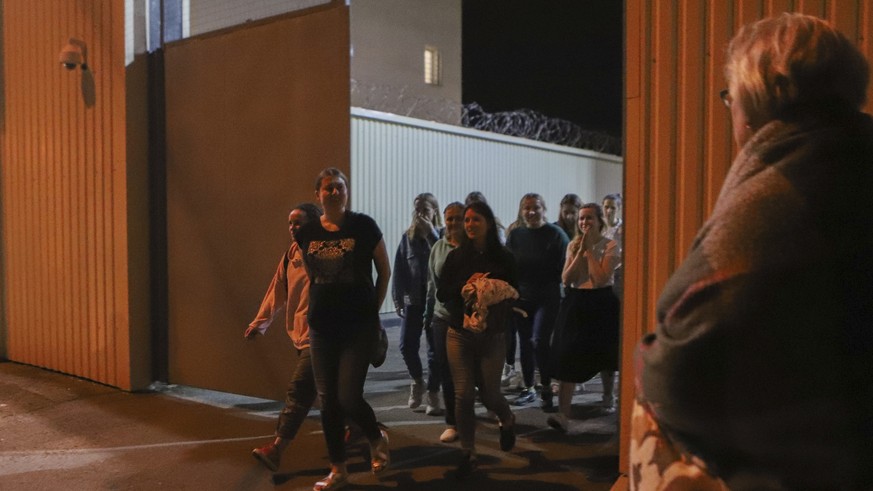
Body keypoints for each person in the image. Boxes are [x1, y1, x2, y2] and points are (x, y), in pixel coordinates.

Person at [633, 13, 873, 490]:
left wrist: (648, 361)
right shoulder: (853, 165)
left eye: (730, 97)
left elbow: (682, 370)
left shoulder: (773, 205)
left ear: (755, 100)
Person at [294, 167, 391, 491]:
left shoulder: (363, 226)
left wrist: (373, 311)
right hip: (322, 328)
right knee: (328, 401)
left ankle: (376, 438)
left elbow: (384, 269)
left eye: (339, 187)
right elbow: (312, 275)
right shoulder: (307, 233)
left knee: (348, 395)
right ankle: (339, 471)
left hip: (357, 327)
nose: (334, 192)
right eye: (327, 188)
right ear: (317, 195)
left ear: (346, 192)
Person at [437, 201, 518, 478]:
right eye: (467, 220)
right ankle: (468, 453)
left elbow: (517, 290)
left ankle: (506, 419)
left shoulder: (504, 258)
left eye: (476, 220)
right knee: (463, 394)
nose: (469, 225)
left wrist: (494, 289)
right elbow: (441, 293)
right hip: (458, 333)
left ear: (488, 223)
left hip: (492, 335)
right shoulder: (457, 257)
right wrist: (466, 287)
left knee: (490, 394)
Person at [246, 203, 323, 472]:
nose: (292, 228)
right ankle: (369, 431)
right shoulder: (291, 254)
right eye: (290, 223)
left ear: (313, 223)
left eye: (298, 223)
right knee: (333, 394)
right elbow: (277, 290)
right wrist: (260, 322)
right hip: (301, 336)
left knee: (299, 392)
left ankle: (277, 449)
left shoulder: (326, 251)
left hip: (322, 336)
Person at [548, 203, 621, 433]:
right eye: (581, 219)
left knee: (604, 354)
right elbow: (566, 279)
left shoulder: (611, 245)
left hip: (600, 301)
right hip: (576, 301)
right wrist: (579, 252)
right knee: (566, 354)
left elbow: (600, 279)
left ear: (600, 221)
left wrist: (590, 251)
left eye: (589, 218)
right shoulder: (573, 244)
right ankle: (563, 414)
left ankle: (608, 396)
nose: (584, 223)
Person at [505, 194, 568, 410]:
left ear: (544, 209)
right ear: (521, 211)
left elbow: (564, 266)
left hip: (548, 296)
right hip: (522, 297)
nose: (531, 212)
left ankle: (546, 386)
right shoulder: (516, 235)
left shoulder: (555, 235)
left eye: (536, 207)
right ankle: (528, 387)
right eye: (527, 208)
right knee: (524, 342)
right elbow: (509, 266)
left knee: (539, 340)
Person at [392, 192, 443, 415]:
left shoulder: (442, 236)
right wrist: (398, 298)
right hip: (414, 300)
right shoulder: (407, 238)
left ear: (434, 212)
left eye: (425, 210)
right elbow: (400, 268)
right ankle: (417, 381)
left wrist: (430, 233)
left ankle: (433, 392)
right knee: (406, 345)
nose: (420, 214)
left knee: (435, 350)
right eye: (417, 210)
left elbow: (445, 260)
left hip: (436, 302)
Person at [424, 201, 465, 443]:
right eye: (449, 218)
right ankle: (452, 421)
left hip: (469, 318)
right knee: (446, 371)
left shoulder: (473, 249)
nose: (453, 223)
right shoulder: (438, 247)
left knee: (469, 371)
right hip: (442, 317)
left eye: (458, 218)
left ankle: (486, 408)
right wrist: (427, 316)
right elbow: (431, 284)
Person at [602, 193, 624, 300]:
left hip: (617, 272)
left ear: (618, 208)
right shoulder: (599, 226)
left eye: (613, 208)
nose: (609, 211)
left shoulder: (622, 228)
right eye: (606, 207)